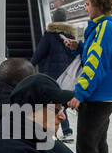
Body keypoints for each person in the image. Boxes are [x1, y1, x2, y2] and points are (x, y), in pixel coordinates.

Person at [68, 0, 112, 153]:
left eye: (87, 4)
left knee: (86, 144)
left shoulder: (106, 27)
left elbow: (96, 63)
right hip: (105, 95)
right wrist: (79, 46)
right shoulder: (106, 26)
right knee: (98, 142)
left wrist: (80, 93)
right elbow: (95, 52)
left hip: (97, 96)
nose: (85, 8)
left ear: (98, 5)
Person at [30, 8, 79, 141]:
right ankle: (65, 130)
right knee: (58, 101)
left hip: (51, 75)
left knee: (50, 102)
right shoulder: (71, 36)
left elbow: (39, 53)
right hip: (66, 75)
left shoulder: (50, 35)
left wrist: (29, 66)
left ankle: (49, 131)